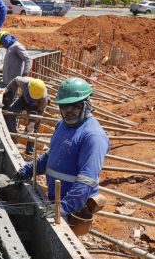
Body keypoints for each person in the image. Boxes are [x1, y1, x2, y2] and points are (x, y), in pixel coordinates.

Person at [15, 78, 109, 221]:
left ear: (86, 105)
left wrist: (64, 207)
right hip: (55, 200)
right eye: (64, 107)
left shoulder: (93, 136)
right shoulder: (62, 125)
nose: (68, 111)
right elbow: (50, 156)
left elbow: (87, 179)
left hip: (75, 207)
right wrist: (28, 170)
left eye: (75, 107)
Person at [3, 76, 49, 155]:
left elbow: (40, 112)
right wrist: (6, 89)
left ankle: (29, 150)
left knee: (32, 129)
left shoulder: (44, 98)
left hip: (35, 108)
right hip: (23, 99)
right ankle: (13, 135)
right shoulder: (25, 82)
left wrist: (33, 122)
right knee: (11, 112)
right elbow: (15, 80)